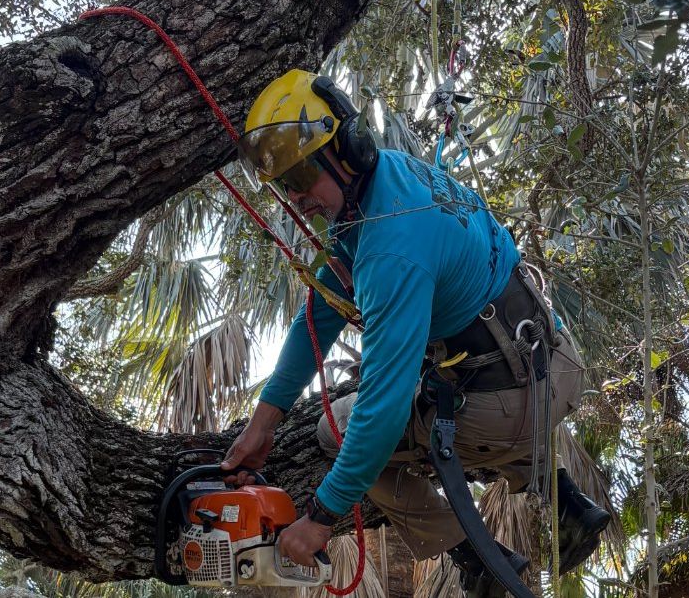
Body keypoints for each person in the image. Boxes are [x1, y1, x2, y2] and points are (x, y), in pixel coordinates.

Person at [221, 70, 610, 596]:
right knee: (449, 376)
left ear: (345, 152)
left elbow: (382, 411)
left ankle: (479, 558)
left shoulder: (388, 248)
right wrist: (262, 425)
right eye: (286, 186)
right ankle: (566, 502)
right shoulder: (391, 180)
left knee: (337, 431)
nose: (298, 200)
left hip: (512, 399)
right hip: (555, 364)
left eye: (301, 179)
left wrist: (320, 516)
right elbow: (318, 317)